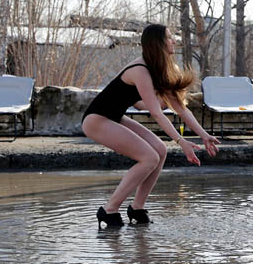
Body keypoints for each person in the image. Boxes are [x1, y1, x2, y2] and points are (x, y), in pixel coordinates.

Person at [82, 24, 220, 228]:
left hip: (114, 117)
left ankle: (137, 208)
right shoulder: (140, 70)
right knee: (148, 157)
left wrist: (204, 136)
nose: (174, 41)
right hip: (97, 119)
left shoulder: (160, 69)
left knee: (160, 150)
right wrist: (181, 141)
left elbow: (181, 109)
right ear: (158, 43)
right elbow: (155, 112)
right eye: (170, 37)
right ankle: (109, 209)